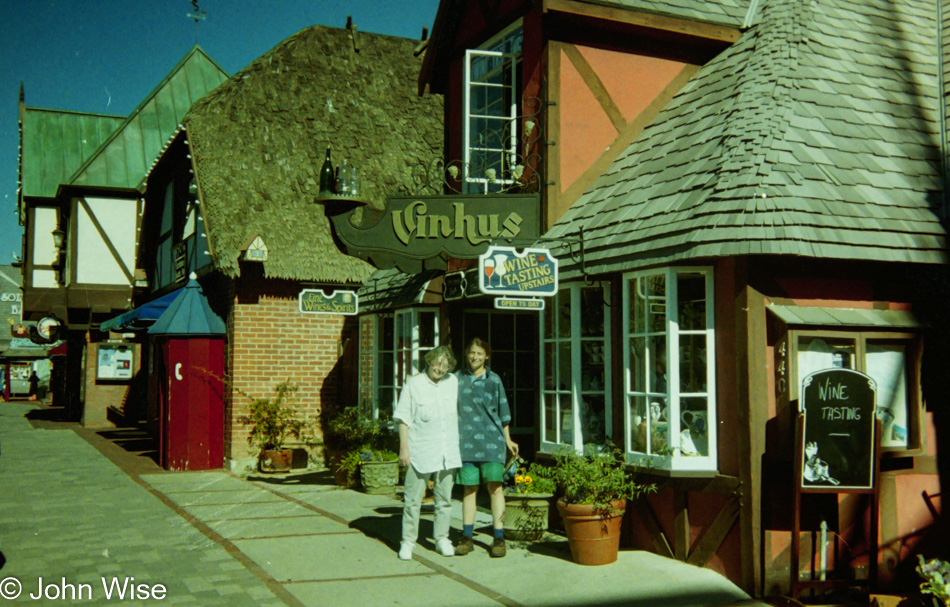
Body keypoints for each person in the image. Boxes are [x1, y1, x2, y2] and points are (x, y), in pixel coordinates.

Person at [394, 345, 461, 561]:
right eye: (438, 363)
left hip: (447, 451)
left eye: (446, 364)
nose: (441, 368)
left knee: (444, 500)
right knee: (412, 501)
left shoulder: (453, 382)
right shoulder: (414, 384)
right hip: (419, 451)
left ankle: (442, 538)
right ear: (429, 361)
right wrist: (404, 449)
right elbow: (404, 419)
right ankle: (408, 542)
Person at [455, 338, 519, 558]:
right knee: (469, 489)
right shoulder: (457, 379)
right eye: (472, 352)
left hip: (492, 443)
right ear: (466, 354)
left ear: (487, 356)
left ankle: (499, 538)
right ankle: (467, 537)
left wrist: (508, 440)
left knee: (495, 488)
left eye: (480, 353)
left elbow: (503, 412)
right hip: (465, 444)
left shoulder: (494, 380)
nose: (475, 357)